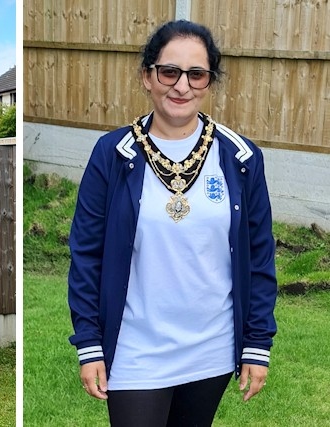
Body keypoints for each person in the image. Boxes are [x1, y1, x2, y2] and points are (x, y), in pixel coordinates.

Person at [67, 20, 277, 426]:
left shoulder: (241, 159)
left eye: (196, 74)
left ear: (209, 83)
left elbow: (259, 257)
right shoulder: (112, 154)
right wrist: (90, 343)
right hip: (135, 347)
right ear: (148, 77)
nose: (182, 86)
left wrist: (256, 343)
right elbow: (87, 255)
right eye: (169, 72)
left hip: (211, 348)